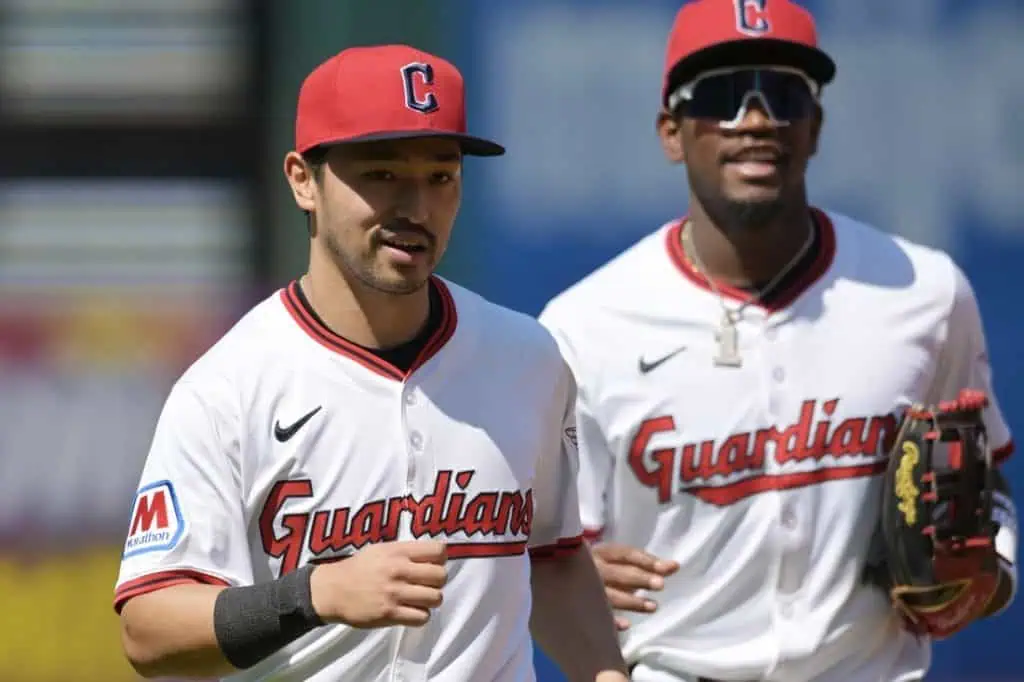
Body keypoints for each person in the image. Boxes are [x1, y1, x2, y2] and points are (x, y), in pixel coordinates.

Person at [113, 43, 629, 682]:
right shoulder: (229, 388)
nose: (416, 207)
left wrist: (607, 673)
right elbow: (149, 625)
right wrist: (313, 595)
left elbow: (552, 555)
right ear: (304, 179)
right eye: (382, 174)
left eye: (441, 177)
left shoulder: (527, 358)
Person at [538, 1, 1017, 681]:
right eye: (723, 96)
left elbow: (986, 474)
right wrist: (565, 577)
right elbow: (542, 555)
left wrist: (989, 573)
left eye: (785, 94)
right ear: (671, 132)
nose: (757, 119)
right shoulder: (585, 327)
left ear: (815, 126)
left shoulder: (925, 294)